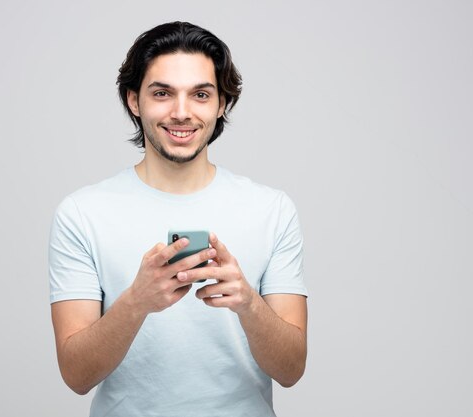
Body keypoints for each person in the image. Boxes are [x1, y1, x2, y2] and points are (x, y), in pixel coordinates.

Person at [49, 21, 308, 417]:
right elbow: (76, 376)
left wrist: (248, 304)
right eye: (162, 93)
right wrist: (136, 301)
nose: (181, 113)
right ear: (134, 101)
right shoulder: (82, 214)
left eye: (200, 94)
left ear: (222, 104)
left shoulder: (271, 209)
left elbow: (292, 370)